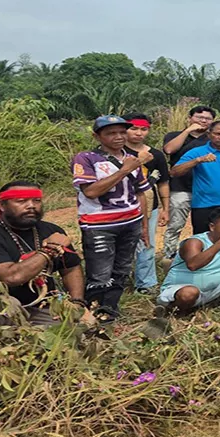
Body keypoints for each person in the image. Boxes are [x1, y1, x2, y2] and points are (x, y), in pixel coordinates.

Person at [72, 115, 152, 322]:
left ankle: (110, 310)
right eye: (110, 133)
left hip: (131, 221)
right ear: (97, 136)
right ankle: (93, 312)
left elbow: (140, 193)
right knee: (99, 272)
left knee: (122, 269)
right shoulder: (86, 158)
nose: (118, 137)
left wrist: (144, 225)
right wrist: (125, 169)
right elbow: (90, 191)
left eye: (121, 132)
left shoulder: (132, 157)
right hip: (99, 224)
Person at [0, 182, 88, 326]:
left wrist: (77, 303)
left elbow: (71, 268)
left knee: (83, 329)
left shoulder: (51, 230)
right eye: (21, 201)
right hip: (0, 305)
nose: (31, 205)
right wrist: (49, 250)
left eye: (36, 201)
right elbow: (11, 277)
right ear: (1, 205)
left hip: (41, 306)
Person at [157, 206, 220, 312]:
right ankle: (172, 310)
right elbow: (193, 265)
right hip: (182, 287)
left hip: (214, 287)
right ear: (212, 227)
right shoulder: (195, 242)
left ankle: (212, 303)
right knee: (189, 293)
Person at [122, 112, 170, 294]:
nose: (139, 133)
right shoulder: (115, 153)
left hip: (150, 206)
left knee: (147, 244)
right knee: (122, 244)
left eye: (144, 129)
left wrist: (166, 208)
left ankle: (146, 284)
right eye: (134, 128)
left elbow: (163, 182)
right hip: (120, 205)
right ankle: (119, 280)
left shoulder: (156, 155)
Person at [162, 105, 215, 260]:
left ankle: (200, 256)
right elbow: (169, 150)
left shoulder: (212, 139)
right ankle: (169, 256)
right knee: (176, 225)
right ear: (190, 118)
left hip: (205, 189)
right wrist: (187, 131)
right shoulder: (174, 135)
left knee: (204, 225)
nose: (203, 121)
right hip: (180, 188)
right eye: (199, 117)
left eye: (208, 118)